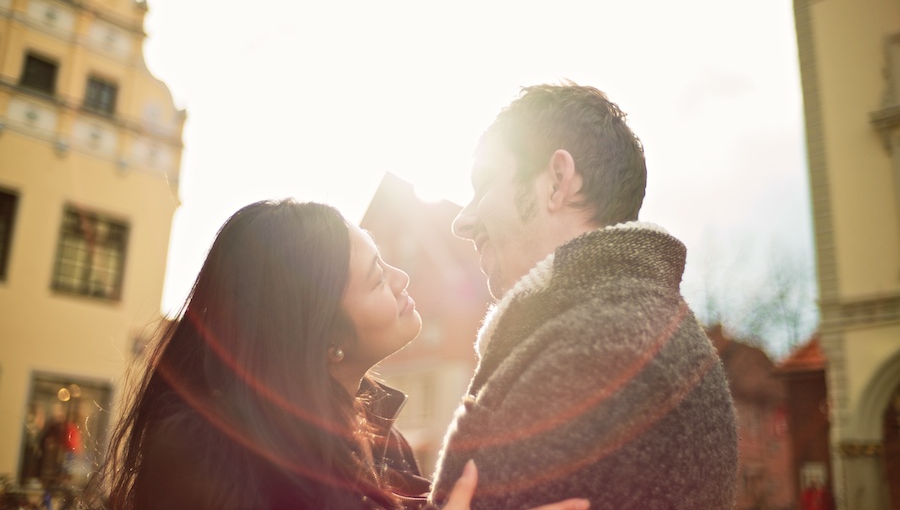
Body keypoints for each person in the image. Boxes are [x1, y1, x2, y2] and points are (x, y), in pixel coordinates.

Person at [84, 199, 589, 510]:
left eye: (385, 261)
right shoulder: (210, 459)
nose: (401, 278)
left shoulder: (383, 440)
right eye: (376, 278)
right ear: (321, 339)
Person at [429, 83, 739, 509]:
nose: (462, 221)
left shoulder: (595, 353)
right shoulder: (626, 327)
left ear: (558, 180)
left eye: (483, 185)